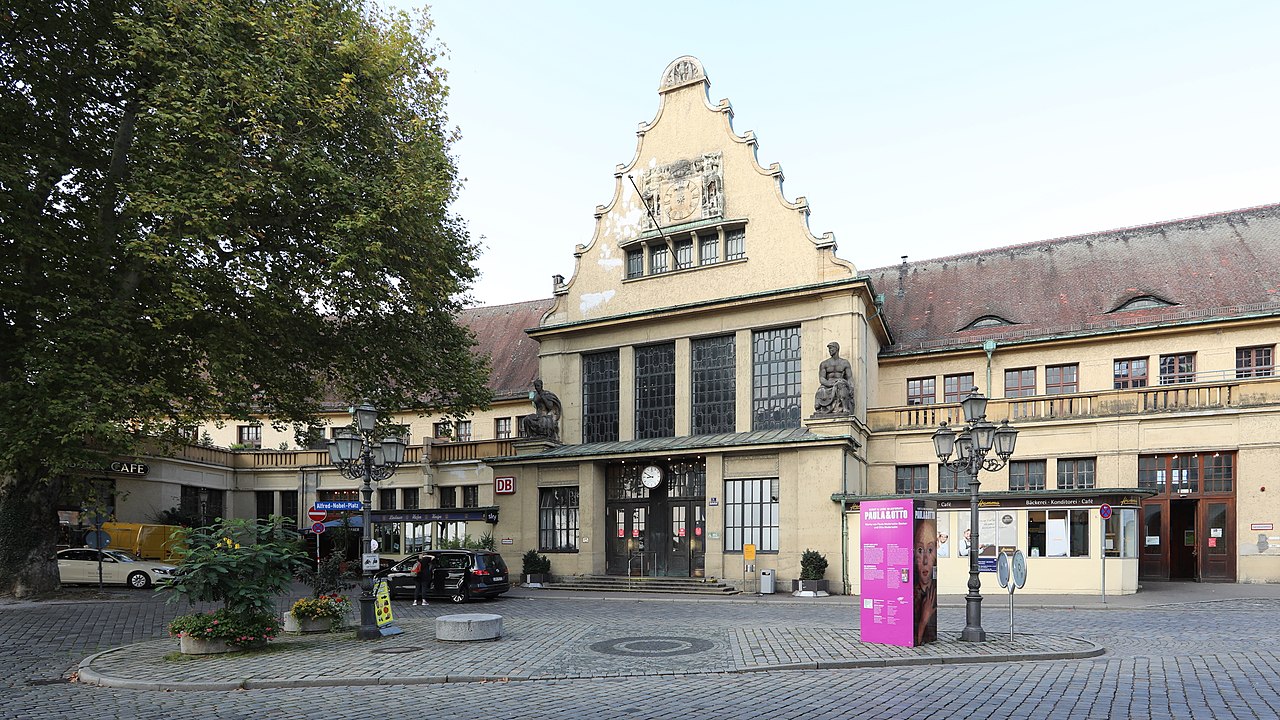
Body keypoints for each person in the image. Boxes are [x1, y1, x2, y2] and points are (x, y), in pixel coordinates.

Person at [914, 518, 938, 646]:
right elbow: (916, 641)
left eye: (930, 550)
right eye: (919, 550)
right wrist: (923, 620)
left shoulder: (932, 592)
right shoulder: (914, 594)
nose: (925, 560)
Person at [814, 342, 855, 415]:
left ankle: (845, 408)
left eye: (831, 348)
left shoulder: (844, 363)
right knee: (820, 391)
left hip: (840, 382)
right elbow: (822, 379)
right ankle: (820, 408)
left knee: (841, 386)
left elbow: (849, 378)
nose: (830, 350)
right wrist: (830, 384)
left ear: (837, 349)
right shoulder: (824, 364)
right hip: (828, 384)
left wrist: (851, 387)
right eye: (829, 349)